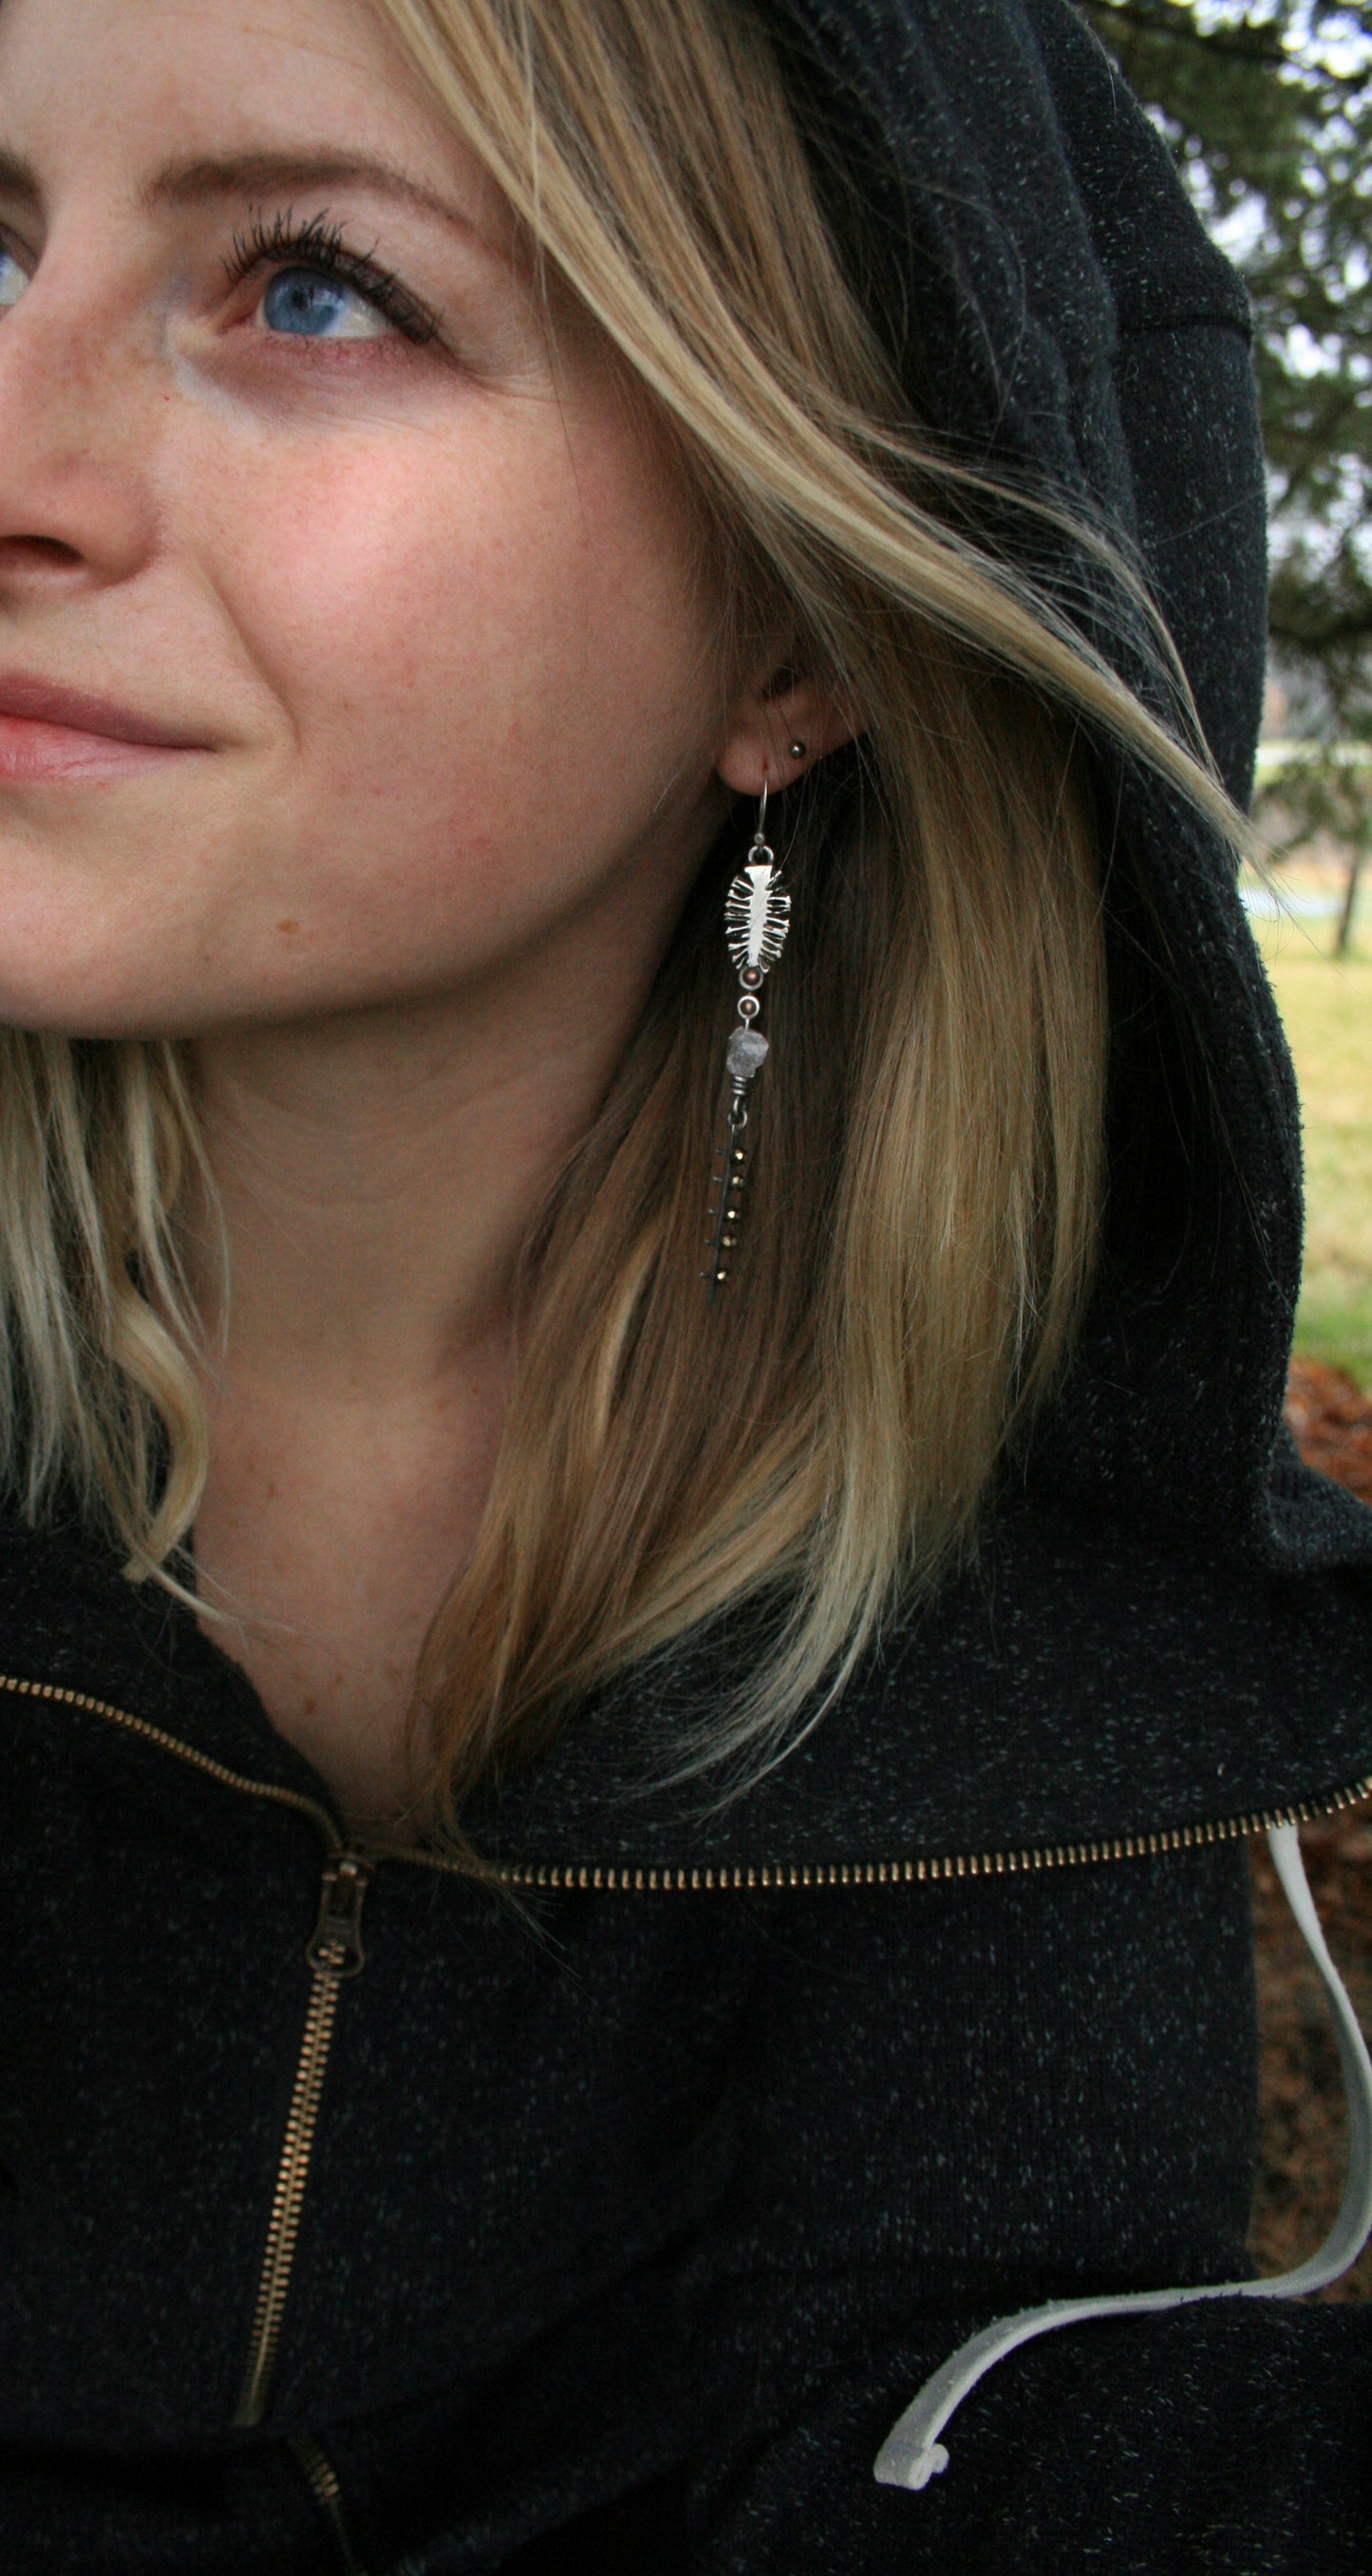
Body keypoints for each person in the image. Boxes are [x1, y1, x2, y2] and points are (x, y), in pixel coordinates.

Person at [0, 0, 1368, 2566]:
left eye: (313, 288)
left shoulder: (992, 1578)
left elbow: (946, 2419)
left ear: (795, 637)